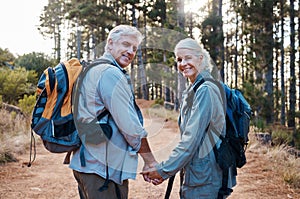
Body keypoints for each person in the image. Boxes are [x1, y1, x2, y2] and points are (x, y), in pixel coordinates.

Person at [69, 24, 157, 199]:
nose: (130, 52)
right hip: (103, 172)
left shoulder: (92, 69)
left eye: (134, 48)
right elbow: (130, 127)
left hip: (87, 165)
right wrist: (151, 162)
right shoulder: (110, 73)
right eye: (125, 44)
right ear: (110, 43)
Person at [142, 38, 236, 198]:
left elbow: (191, 139)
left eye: (188, 57)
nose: (183, 63)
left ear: (200, 58)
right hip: (200, 171)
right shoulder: (195, 88)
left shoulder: (205, 90)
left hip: (206, 176)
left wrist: (163, 170)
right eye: (179, 59)